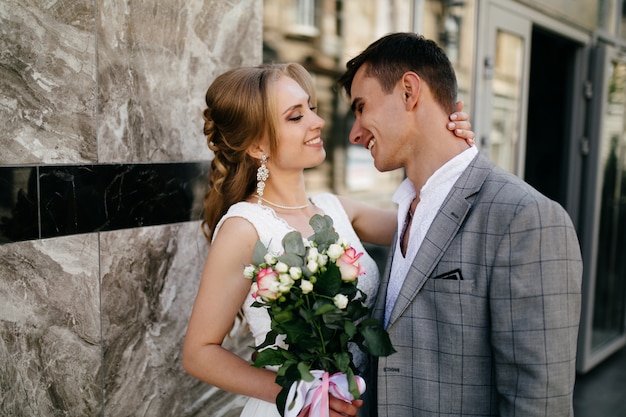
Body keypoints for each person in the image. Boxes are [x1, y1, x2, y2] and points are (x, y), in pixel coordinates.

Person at [182, 62, 475, 417]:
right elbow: (199, 353)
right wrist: (301, 393)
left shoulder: (335, 208)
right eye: (295, 116)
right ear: (258, 146)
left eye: (312, 109)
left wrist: (449, 148)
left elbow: (429, 220)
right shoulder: (245, 228)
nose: (317, 122)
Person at [337, 32, 583, 417]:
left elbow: (539, 403)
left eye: (361, 106)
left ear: (408, 92)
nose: (354, 133)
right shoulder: (405, 208)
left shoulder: (525, 218)